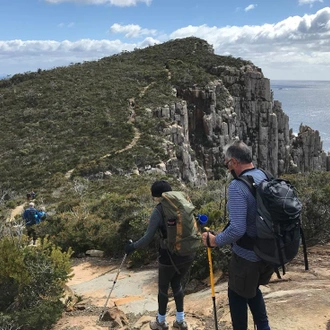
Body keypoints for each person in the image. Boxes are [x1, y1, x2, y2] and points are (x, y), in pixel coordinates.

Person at [202, 140, 273, 330]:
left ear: (234, 162)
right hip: (268, 252)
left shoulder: (237, 186)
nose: (227, 169)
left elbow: (237, 230)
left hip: (247, 256)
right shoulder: (263, 175)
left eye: (226, 164)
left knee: (236, 295)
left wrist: (215, 240)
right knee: (252, 290)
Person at [124, 180, 195, 330]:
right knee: (177, 284)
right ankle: (181, 321)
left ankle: (161, 322)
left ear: (157, 196)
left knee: (163, 289)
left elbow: (147, 238)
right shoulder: (183, 203)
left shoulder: (159, 210)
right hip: (188, 253)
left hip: (168, 256)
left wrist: (132, 247)